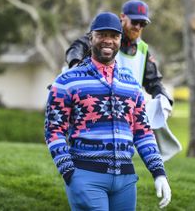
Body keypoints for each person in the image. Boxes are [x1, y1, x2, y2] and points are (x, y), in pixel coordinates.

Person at [45, 12, 171, 210]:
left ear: (120, 39)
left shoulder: (131, 83)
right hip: (86, 177)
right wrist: (69, 172)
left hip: (126, 181)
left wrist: (159, 172)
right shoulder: (67, 81)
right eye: (102, 34)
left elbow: (143, 132)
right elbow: (54, 130)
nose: (108, 41)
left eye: (114, 36)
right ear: (91, 38)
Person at [65, 0, 181, 161]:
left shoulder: (143, 50)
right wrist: (75, 68)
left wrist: (165, 98)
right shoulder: (103, 38)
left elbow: (154, 82)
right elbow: (76, 49)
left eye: (143, 24)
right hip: (93, 105)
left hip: (123, 112)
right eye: (135, 21)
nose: (138, 27)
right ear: (122, 17)